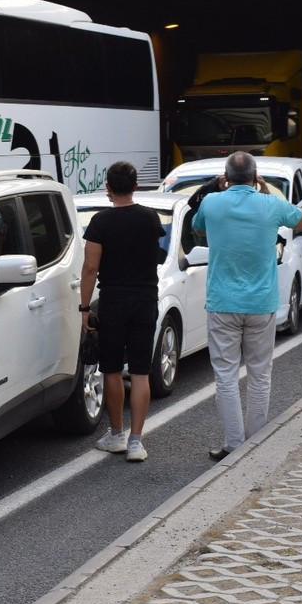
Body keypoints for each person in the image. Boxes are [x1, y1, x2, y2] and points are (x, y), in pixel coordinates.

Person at [192, 152, 302, 461]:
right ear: (256, 177)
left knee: (226, 375)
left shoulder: (213, 203)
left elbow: (199, 227)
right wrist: (267, 191)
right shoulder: (270, 204)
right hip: (261, 302)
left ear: (226, 176)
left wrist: (219, 191)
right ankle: (255, 443)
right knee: (260, 373)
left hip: (223, 302)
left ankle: (233, 443)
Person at [80, 161, 165, 463]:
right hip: (145, 300)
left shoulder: (100, 222)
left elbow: (91, 268)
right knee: (141, 371)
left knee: (112, 369)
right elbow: (154, 255)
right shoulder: (150, 218)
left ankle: (116, 434)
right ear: (136, 186)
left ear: (108, 188)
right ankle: (136, 442)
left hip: (114, 301)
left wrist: (84, 307)